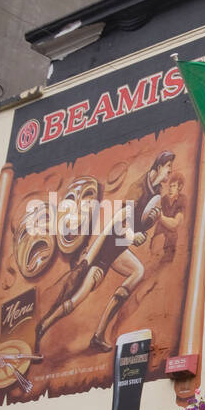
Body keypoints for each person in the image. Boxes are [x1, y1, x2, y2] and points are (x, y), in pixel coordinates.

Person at [35, 150, 174, 353]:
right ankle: (43, 327)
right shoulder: (138, 187)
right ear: (159, 166)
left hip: (119, 248)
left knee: (138, 271)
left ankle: (99, 334)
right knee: (76, 299)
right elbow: (120, 220)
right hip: (107, 248)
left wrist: (151, 221)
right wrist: (132, 235)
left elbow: (142, 221)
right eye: (168, 167)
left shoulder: (156, 194)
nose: (170, 172)